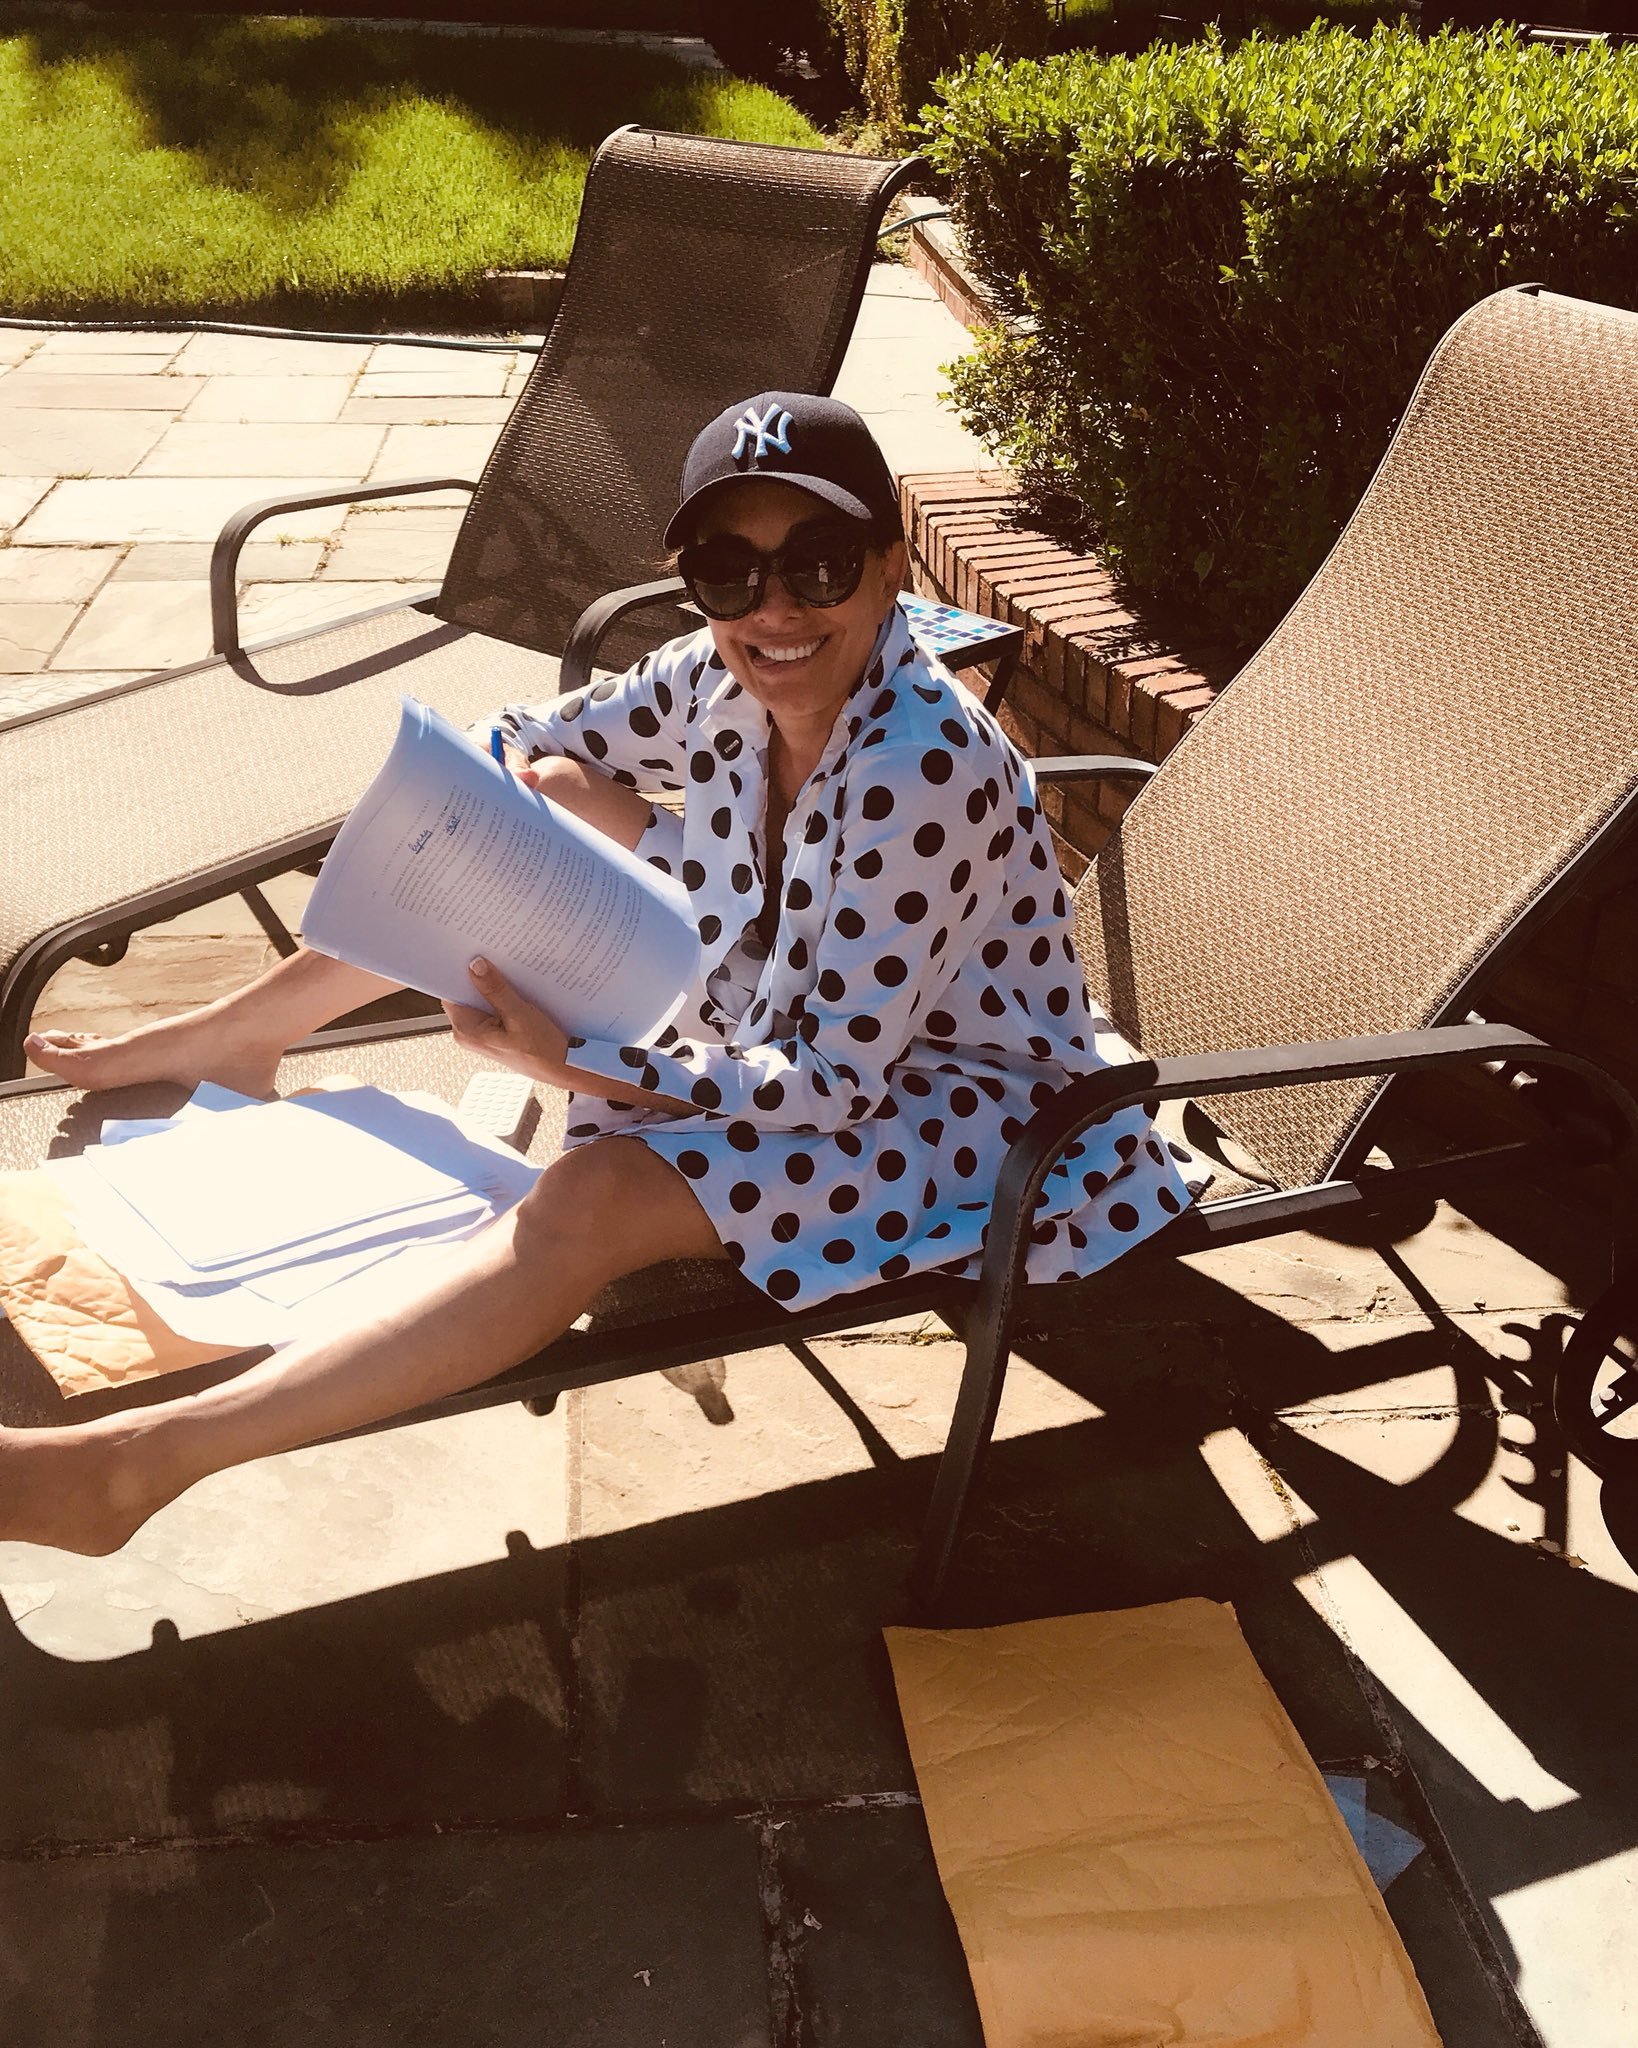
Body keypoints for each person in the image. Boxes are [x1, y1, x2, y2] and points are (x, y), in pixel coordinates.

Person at [0, 392, 1201, 1557]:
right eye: (728, 572)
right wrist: (510, 817)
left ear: (892, 569)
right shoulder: (719, 671)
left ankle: (133, 1466)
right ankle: (241, 1030)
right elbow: (520, 734)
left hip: (969, 1105)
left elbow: (836, 1084)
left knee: (591, 1203)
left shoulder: (920, 769)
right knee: (521, 819)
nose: (774, 608)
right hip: (770, 987)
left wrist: (579, 1060)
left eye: (820, 564)